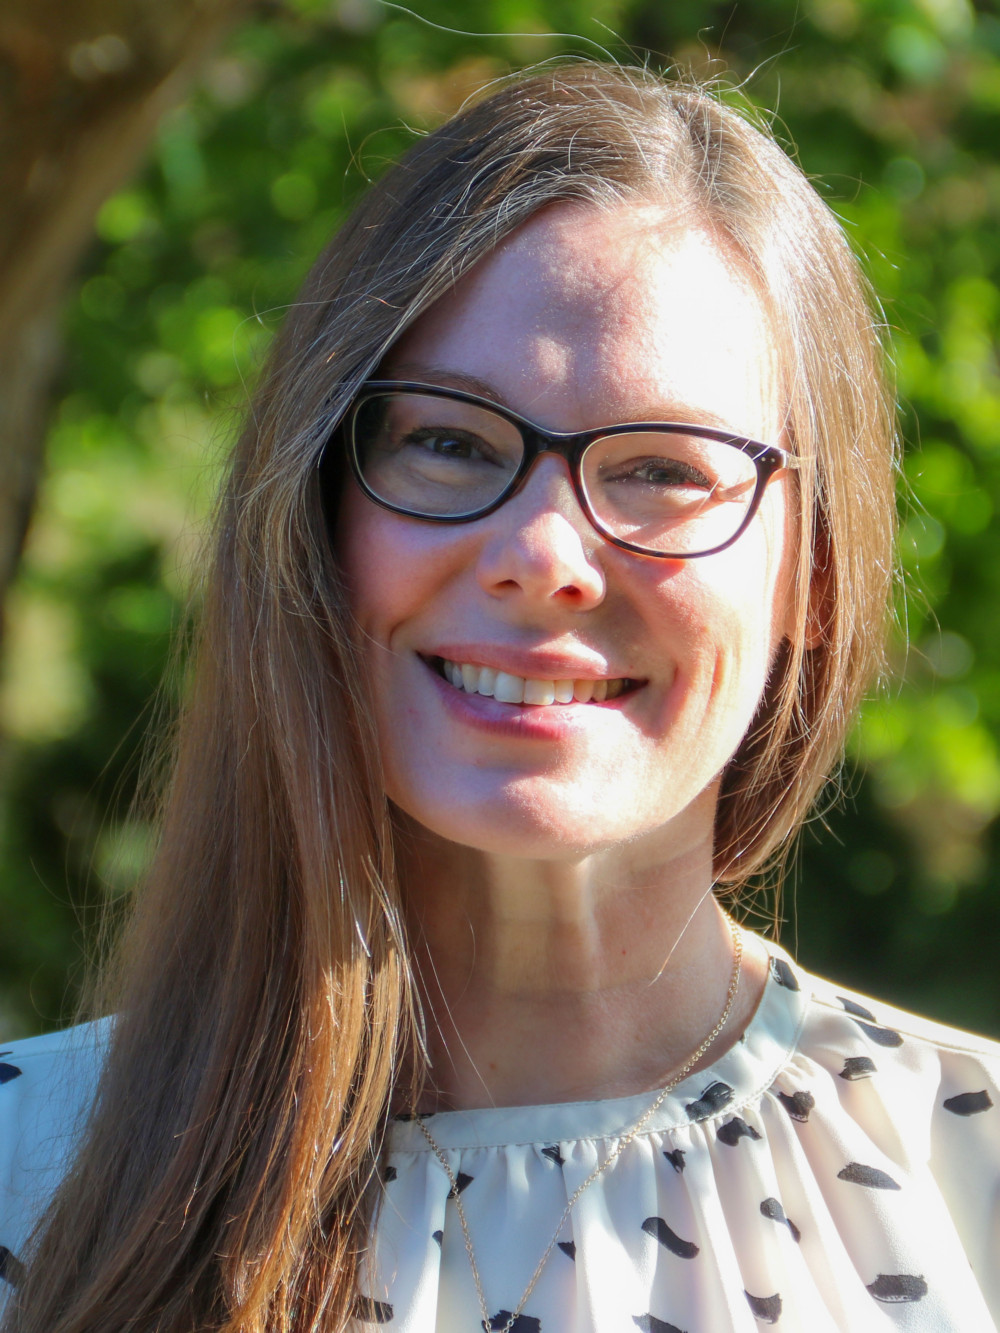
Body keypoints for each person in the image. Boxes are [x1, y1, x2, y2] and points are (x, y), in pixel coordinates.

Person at [1, 60, 998, 1333]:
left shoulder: (970, 1180)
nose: (540, 550)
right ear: (318, 512)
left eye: (661, 470)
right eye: (450, 442)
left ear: (816, 571)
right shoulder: (23, 1170)